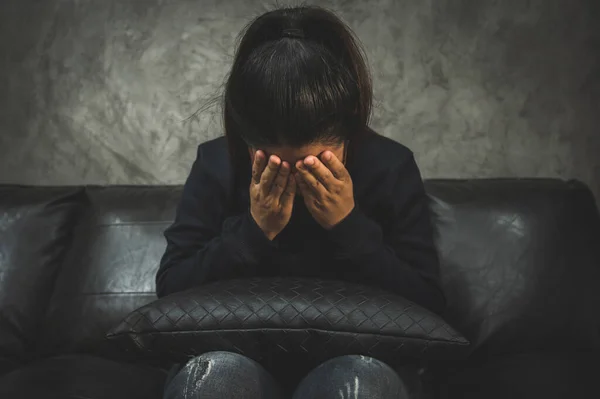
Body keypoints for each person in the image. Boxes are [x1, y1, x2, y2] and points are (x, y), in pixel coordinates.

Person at [156, 5, 445, 399]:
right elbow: (172, 289)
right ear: (248, 143)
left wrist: (348, 226)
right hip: (235, 354)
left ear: (346, 135)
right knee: (214, 379)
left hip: (358, 358)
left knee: (359, 385)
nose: (293, 179)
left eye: (314, 164)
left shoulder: (389, 166)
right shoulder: (217, 163)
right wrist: (253, 233)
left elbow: (429, 305)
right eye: (276, 165)